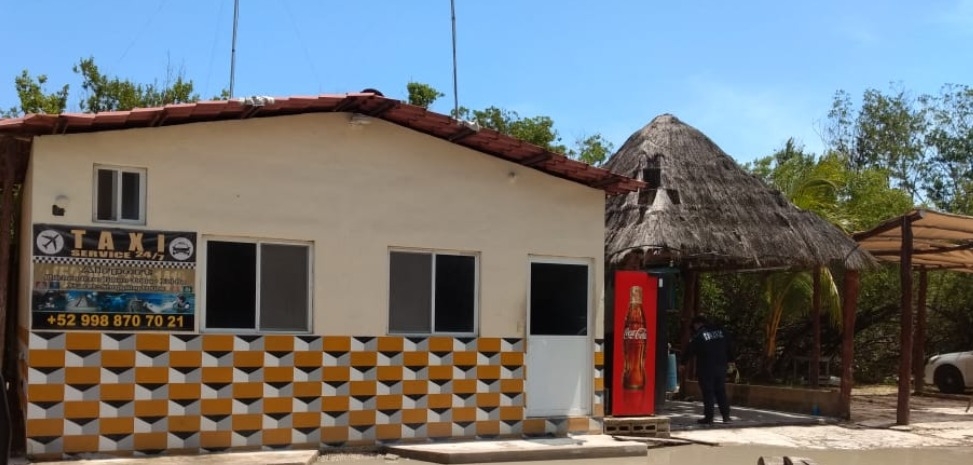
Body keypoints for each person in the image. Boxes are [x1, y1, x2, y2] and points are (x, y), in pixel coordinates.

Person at [682, 314, 734, 424]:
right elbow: (729, 346)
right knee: (721, 391)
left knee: (708, 392)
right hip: (721, 367)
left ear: (698, 324)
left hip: (706, 368)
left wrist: (682, 363)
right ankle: (726, 416)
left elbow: (690, 350)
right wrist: (731, 360)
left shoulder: (699, 335)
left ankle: (709, 418)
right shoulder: (721, 331)